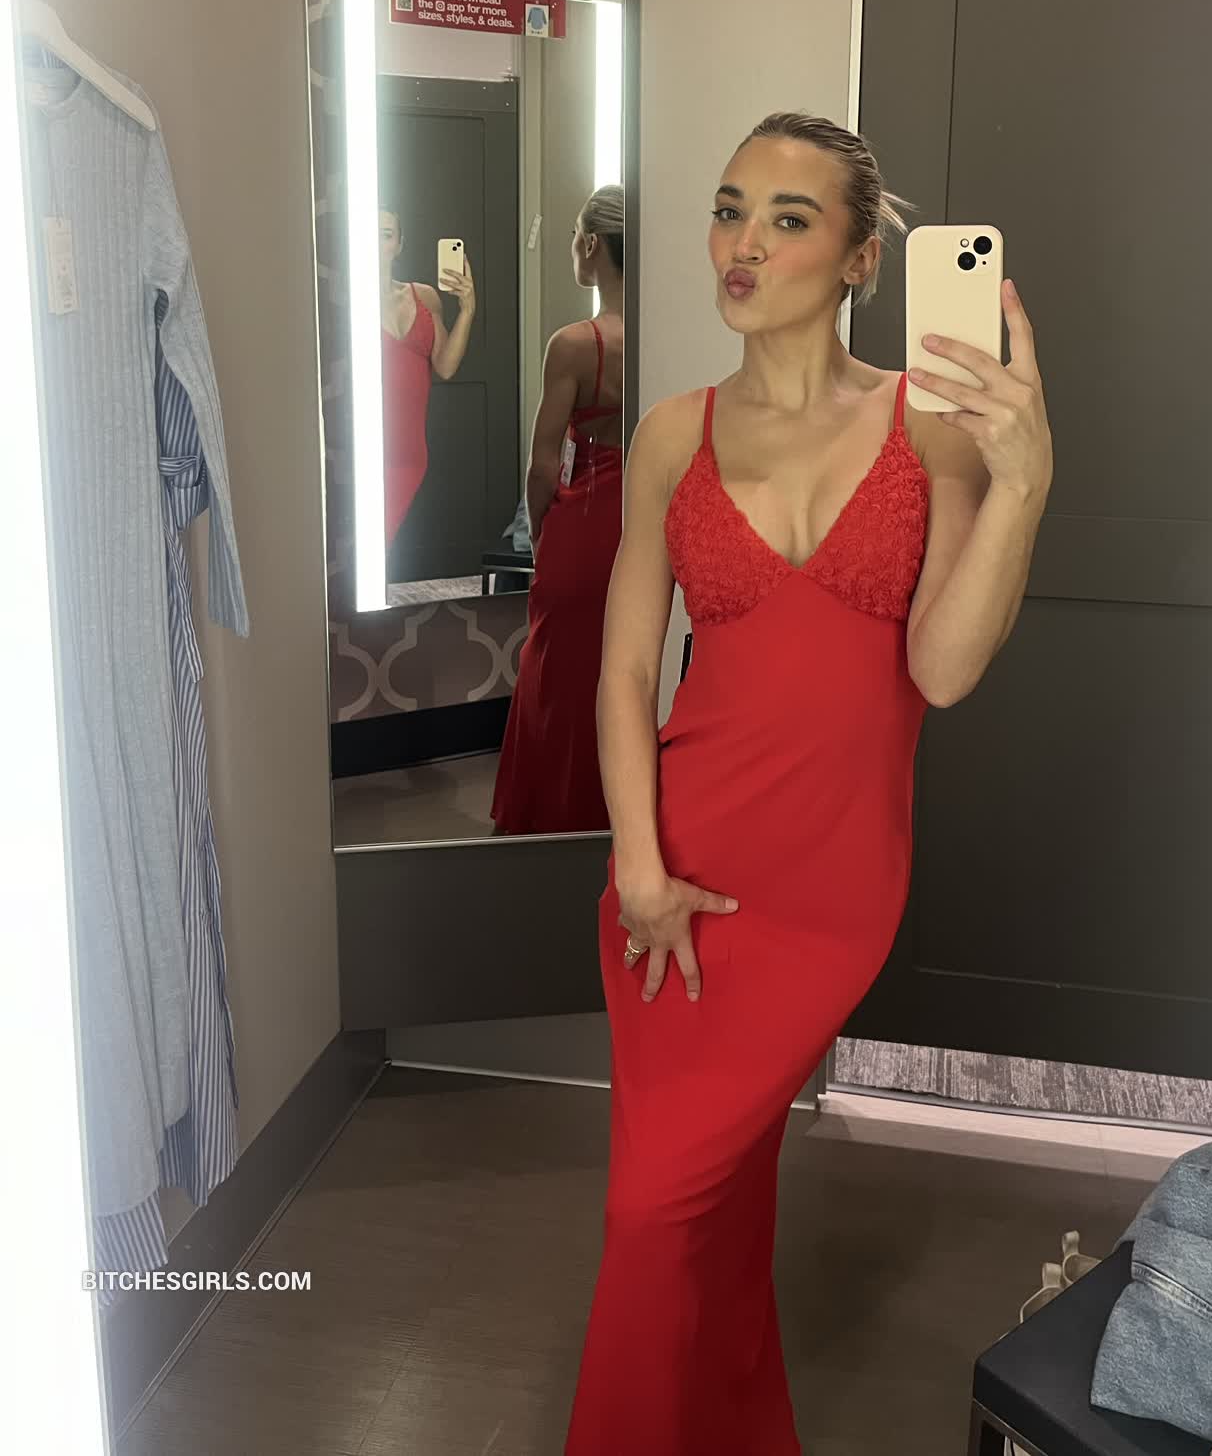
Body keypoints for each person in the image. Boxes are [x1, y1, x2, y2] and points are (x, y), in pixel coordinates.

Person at [564, 113, 1054, 1454]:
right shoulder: (672, 435)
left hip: (831, 884)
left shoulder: (929, 426)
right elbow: (624, 674)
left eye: (788, 219)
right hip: (678, 870)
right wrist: (638, 867)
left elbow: (941, 669)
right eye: (730, 210)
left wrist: (1022, 485)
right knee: (680, 1208)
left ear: (858, 261)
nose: (744, 243)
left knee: (667, 1204)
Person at [491, 187, 625, 835]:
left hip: (584, 519)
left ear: (591, 244)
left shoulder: (575, 344)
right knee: (625, 671)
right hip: (644, 521)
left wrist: (541, 532)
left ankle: (549, 820)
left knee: (559, 670)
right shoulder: (663, 334)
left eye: (574, 234)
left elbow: (543, 464)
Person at [378, 208, 476, 545]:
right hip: (365, 449)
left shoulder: (425, 297)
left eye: (386, 234)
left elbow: (445, 366)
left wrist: (467, 309)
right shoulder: (344, 302)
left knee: (384, 543)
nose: (377, 243)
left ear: (399, 244)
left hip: (409, 453)